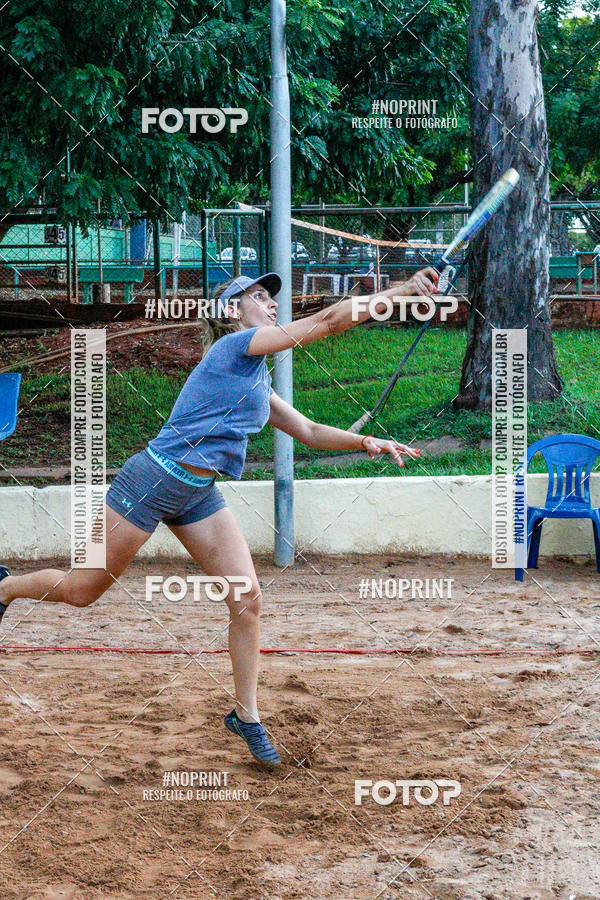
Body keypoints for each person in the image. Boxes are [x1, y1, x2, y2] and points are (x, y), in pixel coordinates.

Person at [0, 266, 438, 765]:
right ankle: (6, 588)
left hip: (197, 494)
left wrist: (366, 441)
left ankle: (246, 716)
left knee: (247, 599)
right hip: (151, 480)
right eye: (259, 296)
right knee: (82, 590)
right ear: (232, 311)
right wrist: (402, 291)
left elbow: (310, 431)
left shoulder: (256, 379)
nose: (271, 303)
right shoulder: (233, 348)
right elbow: (329, 321)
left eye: (272, 298)